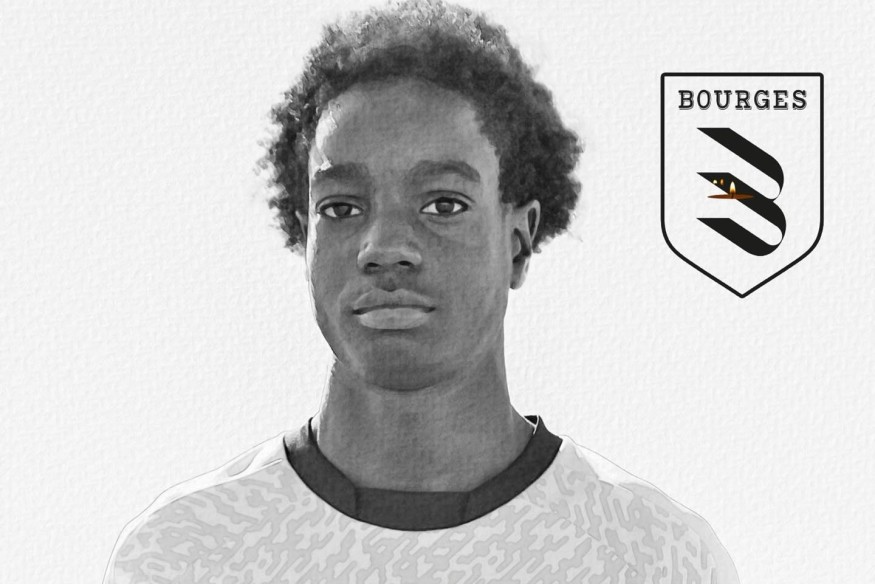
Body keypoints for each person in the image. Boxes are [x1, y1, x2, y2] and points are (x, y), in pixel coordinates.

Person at [104, 1, 739, 582]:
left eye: (443, 203)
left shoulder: (652, 555)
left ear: (518, 240)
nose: (383, 247)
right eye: (342, 208)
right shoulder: (185, 553)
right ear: (305, 238)